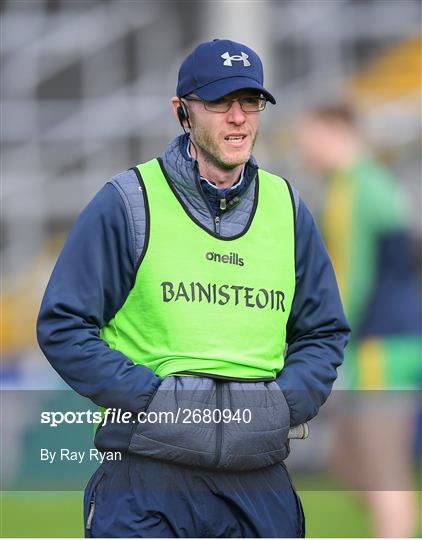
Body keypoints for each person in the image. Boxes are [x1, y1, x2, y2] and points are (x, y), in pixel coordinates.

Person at [37, 39, 350, 538]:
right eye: (219, 102)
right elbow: (63, 325)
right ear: (182, 112)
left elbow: (324, 331)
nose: (238, 118)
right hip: (144, 477)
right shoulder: (127, 201)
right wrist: (149, 399)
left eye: (250, 102)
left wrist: (281, 407)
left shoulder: (288, 209)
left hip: (259, 481)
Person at [297, 104, 421, 538]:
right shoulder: (377, 180)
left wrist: (325, 340)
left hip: (378, 347)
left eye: (309, 136)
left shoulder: (352, 186)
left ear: (336, 132)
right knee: (344, 462)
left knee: (384, 472)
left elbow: (350, 276)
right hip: (395, 341)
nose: (303, 147)